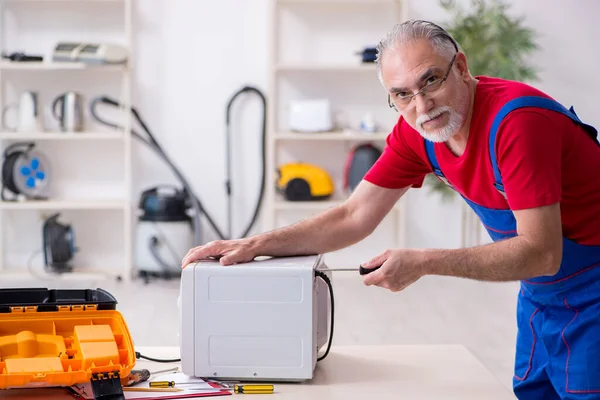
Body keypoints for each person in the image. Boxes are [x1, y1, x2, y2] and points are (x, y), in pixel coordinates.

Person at [182, 20, 600, 400]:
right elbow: (353, 216)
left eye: (431, 80)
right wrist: (256, 244)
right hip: (542, 293)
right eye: (402, 94)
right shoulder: (421, 131)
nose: (421, 107)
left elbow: (543, 252)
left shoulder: (516, 123)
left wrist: (424, 261)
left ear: (461, 66)